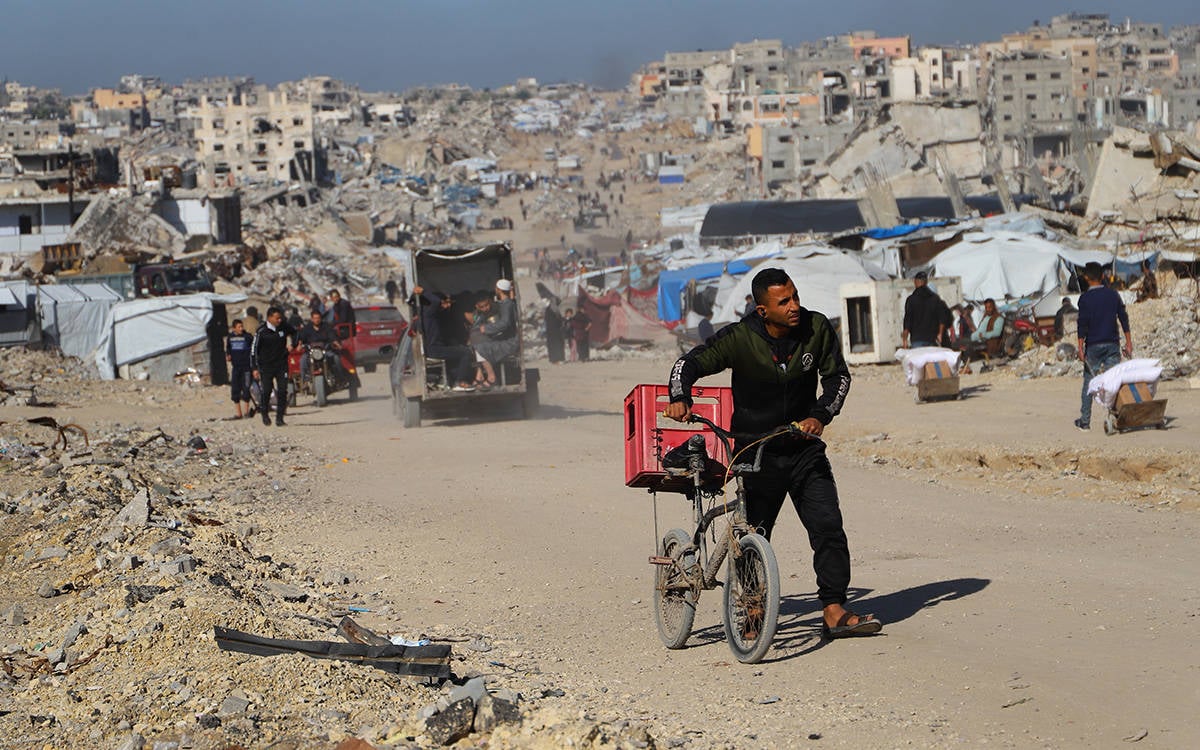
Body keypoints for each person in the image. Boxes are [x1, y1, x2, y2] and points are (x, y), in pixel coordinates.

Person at [663, 267, 880, 639]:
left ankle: (833, 609)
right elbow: (689, 363)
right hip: (753, 451)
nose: (794, 306)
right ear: (763, 310)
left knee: (828, 526)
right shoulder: (740, 338)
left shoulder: (816, 328)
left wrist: (820, 415)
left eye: (795, 296)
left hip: (803, 448)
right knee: (752, 535)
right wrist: (680, 396)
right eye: (784, 302)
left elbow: (838, 377)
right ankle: (752, 608)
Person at [1075, 262, 1132, 430]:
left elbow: (1082, 325)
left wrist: (1080, 348)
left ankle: (1085, 421)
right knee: (1113, 382)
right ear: (1102, 276)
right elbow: (1123, 318)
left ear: (1086, 278)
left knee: (1089, 383)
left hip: (1093, 346)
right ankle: (1117, 417)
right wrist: (1128, 342)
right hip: (1112, 344)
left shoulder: (1084, 299)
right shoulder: (1113, 295)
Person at [411, 286, 475, 391]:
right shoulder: (428, 313)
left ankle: (449, 380)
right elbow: (436, 301)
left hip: (434, 348)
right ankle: (460, 382)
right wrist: (423, 291)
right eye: (445, 303)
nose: (448, 305)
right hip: (434, 349)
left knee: (457, 351)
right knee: (466, 352)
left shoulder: (425, 315)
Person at [251, 306, 295, 427]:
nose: (279, 320)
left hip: (281, 365)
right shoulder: (261, 331)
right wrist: (254, 368)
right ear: (269, 318)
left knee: (282, 391)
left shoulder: (284, 327)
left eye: (280, 318)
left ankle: (280, 418)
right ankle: (264, 413)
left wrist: (293, 345)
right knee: (267, 390)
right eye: (277, 318)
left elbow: (295, 333)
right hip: (266, 366)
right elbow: (254, 350)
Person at [468, 293, 518, 387]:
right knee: (475, 343)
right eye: (482, 307)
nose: (485, 308)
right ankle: (480, 375)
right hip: (487, 340)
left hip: (502, 340)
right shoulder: (477, 315)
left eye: (486, 305)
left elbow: (501, 328)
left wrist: (486, 330)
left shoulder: (497, 310)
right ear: (477, 306)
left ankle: (490, 377)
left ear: (490, 301)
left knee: (479, 346)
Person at [901, 271, 946, 348]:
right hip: (932, 338)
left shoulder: (911, 299)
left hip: (917, 339)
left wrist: (905, 340)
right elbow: (942, 318)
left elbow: (907, 320)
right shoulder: (935, 298)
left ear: (916, 282)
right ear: (926, 282)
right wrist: (940, 334)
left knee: (918, 355)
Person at [296, 309, 340, 383]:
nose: (317, 320)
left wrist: (335, 342)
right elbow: (302, 337)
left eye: (318, 318)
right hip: (310, 352)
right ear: (312, 319)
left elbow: (331, 335)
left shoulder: (326, 326)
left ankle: (339, 378)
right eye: (315, 318)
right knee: (302, 361)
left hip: (325, 351)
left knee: (336, 358)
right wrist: (299, 345)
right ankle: (305, 379)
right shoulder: (307, 328)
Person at [225, 319, 255, 419]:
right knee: (235, 390)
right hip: (236, 368)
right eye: (239, 327)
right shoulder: (230, 337)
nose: (241, 329)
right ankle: (238, 413)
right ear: (234, 328)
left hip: (246, 367)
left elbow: (254, 348)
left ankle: (246, 412)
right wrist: (228, 355)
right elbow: (228, 348)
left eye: (242, 326)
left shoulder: (248, 337)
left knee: (246, 389)